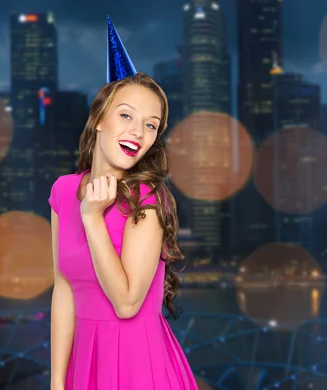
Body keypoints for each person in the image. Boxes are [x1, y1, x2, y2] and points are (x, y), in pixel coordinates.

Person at [48, 17, 198, 390]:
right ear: (99, 119)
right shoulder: (64, 191)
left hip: (138, 363)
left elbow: (128, 303)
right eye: (126, 115)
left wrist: (93, 219)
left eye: (151, 124)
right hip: (84, 361)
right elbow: (63, 290)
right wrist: (56, 382)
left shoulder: (148, 198)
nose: (137, 131)